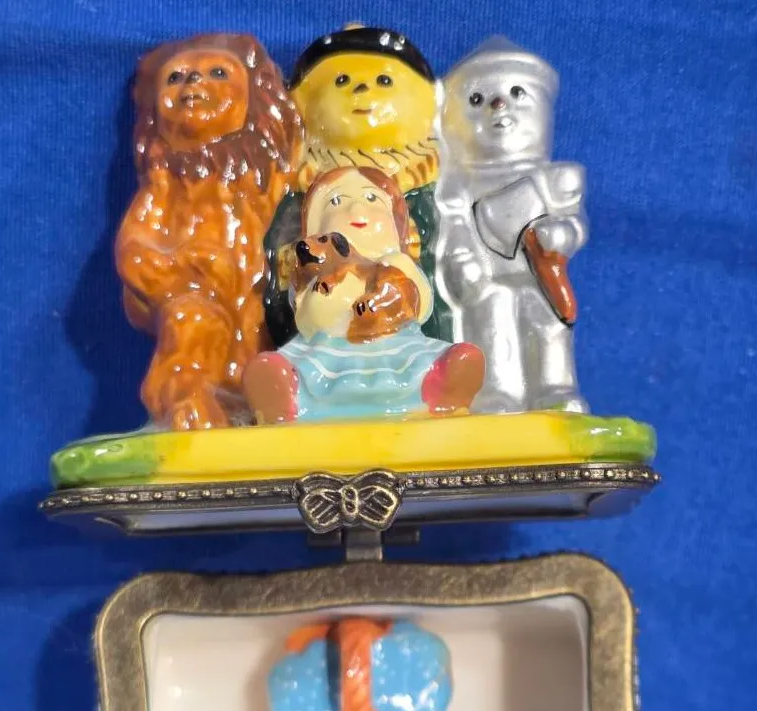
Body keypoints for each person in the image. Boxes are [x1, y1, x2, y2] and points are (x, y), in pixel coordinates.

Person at [244, 167, 483, 424]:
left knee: (424, 365)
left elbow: (418, 303)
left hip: (397, 348)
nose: (356, 210)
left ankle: (441, 389)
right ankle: (285, 397)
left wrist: (379, 302)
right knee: (301, 371)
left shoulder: (396, 263)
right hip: (327, 352)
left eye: (371, 199)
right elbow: (307, 321)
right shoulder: (312, 278)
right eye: (336, 201)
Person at [264, 25, 453, 347]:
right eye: (341, 81)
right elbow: (279, 259)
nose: (363, 89)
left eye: (384, 81)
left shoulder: (431, 184)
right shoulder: (302, 187)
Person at [436, 37, 589, 413]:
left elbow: (574, 226)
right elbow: (454, 226)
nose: (498, 105)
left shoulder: (555, 179)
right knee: (492, 326)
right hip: (489, 281)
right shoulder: (459, 183)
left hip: (540, 277)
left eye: (517, 92)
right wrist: (462, 258)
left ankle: (555, 387)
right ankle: (497, 391)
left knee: (549, 329)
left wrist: (561, 235)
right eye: (477, 99)